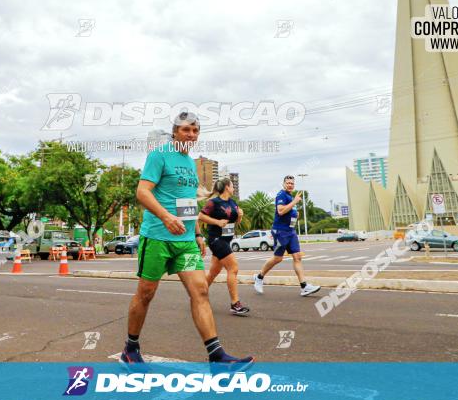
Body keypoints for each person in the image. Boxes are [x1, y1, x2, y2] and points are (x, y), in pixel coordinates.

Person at [120, 112, 253, 367]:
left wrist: (197, 233)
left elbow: (188, 202)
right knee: (146, 293)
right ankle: (130, 348)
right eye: (186, 130)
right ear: (175, 132)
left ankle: (217, 356)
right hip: (157, 236)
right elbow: (142, 192)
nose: (191, 135)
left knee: (200, 290)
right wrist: (166, 217)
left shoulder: (190, 164)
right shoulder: (159, 155)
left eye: (195, 130)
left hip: (185, 242)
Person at [253, 175, 321, 297]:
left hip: (291, 231)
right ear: (283, 184)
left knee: (297, 257)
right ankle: (259, 277)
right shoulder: (281, 195)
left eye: (292, 183)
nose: (290, 185)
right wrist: (294, 202)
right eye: (288, 183)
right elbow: (280, 211)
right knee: (278, 258)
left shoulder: (290, 196)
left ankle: (304, 286)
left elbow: (289, 211)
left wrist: (295, 214)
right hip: (280, 231)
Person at [198, 177, 249, 316]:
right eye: (232, 186)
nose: (233, 188)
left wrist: (240, 216)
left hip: (226, 241)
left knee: (213, 273)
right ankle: (235, 304)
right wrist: (217, 222)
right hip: (216, 240)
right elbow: (200, 216)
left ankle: (198, 296)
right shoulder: (213, 202)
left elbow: (235, 223)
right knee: (233, 268)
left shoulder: (232, 203)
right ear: (227, 187)